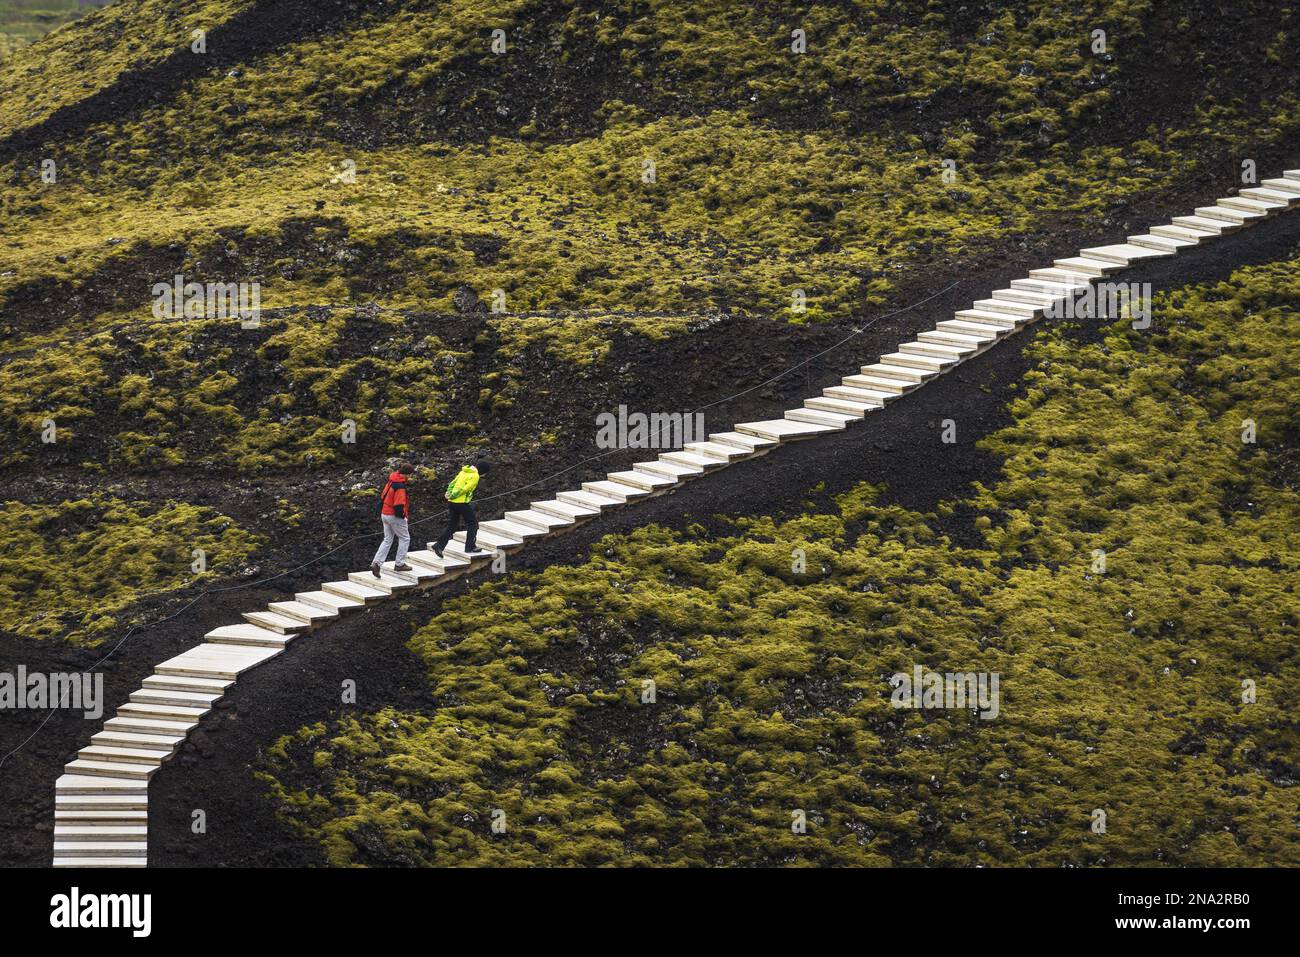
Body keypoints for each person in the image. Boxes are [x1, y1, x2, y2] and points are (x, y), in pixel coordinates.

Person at [433, 459, 490, 558]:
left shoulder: (464, 471)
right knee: (473, 523)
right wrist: (454, 495)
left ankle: (439, 545)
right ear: (482, 470)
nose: (483, 476)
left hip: (452, 502)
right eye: (484, 474)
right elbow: (466, 489)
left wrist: (448, 493)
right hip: (461, 502)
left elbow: (452, 483)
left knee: (452, 525)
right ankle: (470, 547)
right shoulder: (475, 476)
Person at [371, 461, 415, 577]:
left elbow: (383, 496)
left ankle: (376, 563)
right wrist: (403, 517)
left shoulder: (392, 480)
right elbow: (399, 505)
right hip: (394, 515)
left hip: (384, 513)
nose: (410, 477)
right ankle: (399, 564)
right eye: (410, 475)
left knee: (387, 539)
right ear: (406, 474)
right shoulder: (400, 486)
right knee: (405, 538)